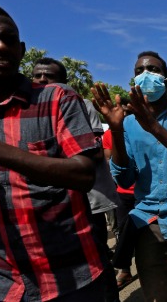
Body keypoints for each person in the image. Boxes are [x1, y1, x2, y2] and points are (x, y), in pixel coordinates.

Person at [0, 0, 108, 301]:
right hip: (1, 282)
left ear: (21, 50)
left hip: (75, 277)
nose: (0, 46)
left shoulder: (56, 99)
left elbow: (83, 174)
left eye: (9, 40)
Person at [91, 51, 167, 302]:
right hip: (148, 219)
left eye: (154, 69)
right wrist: (116, 129)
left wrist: (154, 127)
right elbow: (124, 179)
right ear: (133, 81)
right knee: (160, 294)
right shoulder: (127, 124)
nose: (146, 74)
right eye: (139, 71)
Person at [31, 58, 120, 301]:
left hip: (87, 201)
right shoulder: (30, 111)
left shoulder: (78, 104)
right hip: (52, 206)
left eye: (48, 76)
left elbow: (93, 152)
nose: (41, 81)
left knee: (98, 261)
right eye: (37, 75)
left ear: (64, 84)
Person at [101, 97, 136, 289]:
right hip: (123, 192)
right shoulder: (111, 134)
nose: (126, 116)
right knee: (123, 231)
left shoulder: (143, 129)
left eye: (129, 113)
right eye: (123, 113)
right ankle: (125, 270)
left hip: (146, 192)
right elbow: (109, 158)